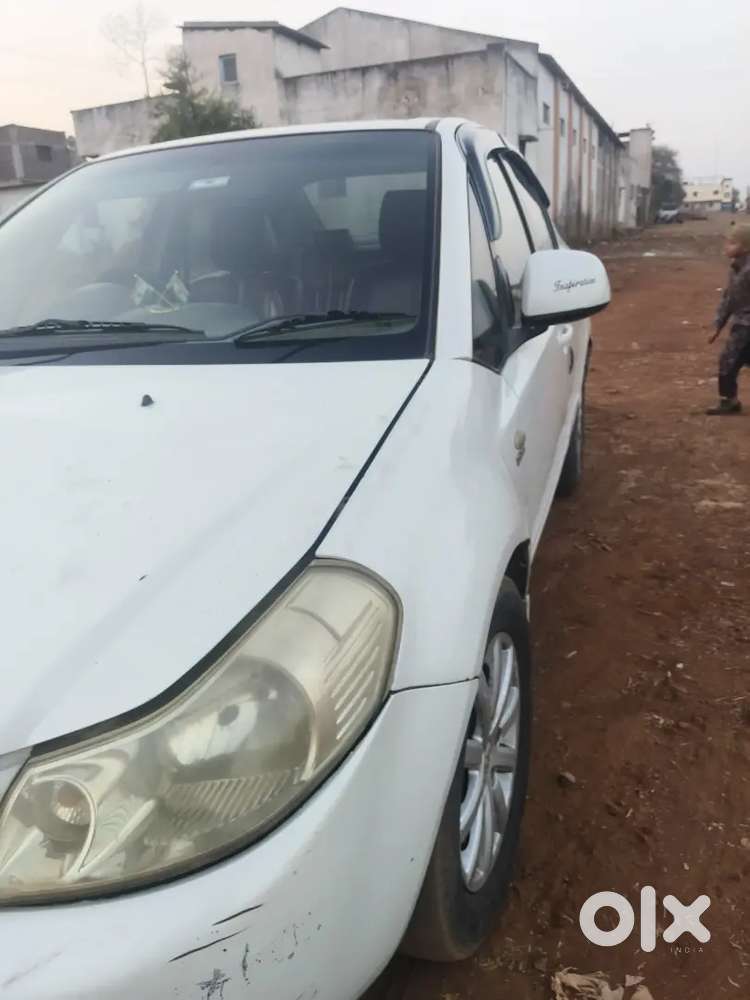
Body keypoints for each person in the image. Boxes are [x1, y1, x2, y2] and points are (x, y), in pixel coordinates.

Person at [707, 225, 750, 415]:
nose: (726, 246)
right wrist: (718, 325)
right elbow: (729, 298)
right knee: (730, 360)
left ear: (746, 247)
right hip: (742, 324)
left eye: (732, 242)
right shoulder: (736, 268)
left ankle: (728, 401)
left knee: (728, 360)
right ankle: (729, 401)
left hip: (746, 326)